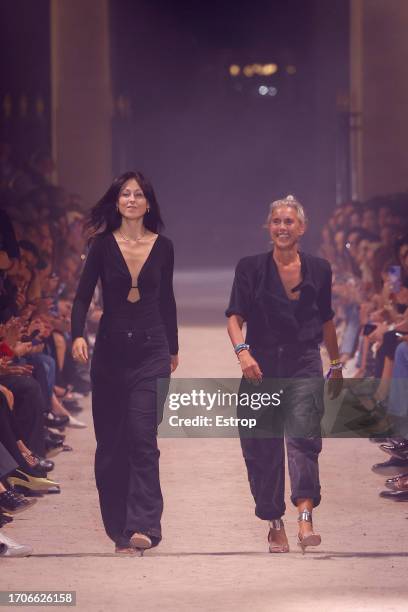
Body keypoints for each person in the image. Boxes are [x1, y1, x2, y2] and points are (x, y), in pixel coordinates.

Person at [226, 195, 342, 554]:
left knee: (304, 438)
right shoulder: (250, 268)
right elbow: (234, 316)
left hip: (303, 361)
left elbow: (326, 320)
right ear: (268, 227)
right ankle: (274, 522)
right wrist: (242, 351)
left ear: (302, 228)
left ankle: (305, 516)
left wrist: (336, 364)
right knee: (262, 447)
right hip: (261, 365)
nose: (282, 227)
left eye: (289, 221)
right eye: (276, 221)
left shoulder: (320, 269)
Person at [71, 171, 178, 554]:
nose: (131, 199)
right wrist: (78, 334)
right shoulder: (101, 246)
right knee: (112, 445)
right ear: (116, 202)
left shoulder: (163, 246)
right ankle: (119, 527)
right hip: (111, 356)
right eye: (124, 194)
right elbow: (82, 296)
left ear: (149, 203)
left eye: (138, 194)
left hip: (152, 350)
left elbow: (166, 299)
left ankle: (145, 525)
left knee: (143, 438)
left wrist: (173, 348)